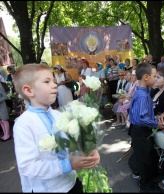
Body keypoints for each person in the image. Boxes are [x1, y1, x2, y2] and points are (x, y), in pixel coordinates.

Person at [12, 63, 100, 192]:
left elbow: (70, 146)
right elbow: (28, 166)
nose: (54, 85)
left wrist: (87, 153)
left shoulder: (59, 115)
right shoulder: (23, 124)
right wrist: (68, 165)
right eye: (47, 82)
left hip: (71, 183)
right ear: (29, 90)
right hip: (47, 189)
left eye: (54, 81)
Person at [129, 63, 164, 192]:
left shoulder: (142, 92)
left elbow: (142, 114)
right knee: (145, 160)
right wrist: (156, 124)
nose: (155, 79)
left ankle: (147, 181)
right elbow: (141, 118)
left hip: (140, 130)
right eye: (154, 76)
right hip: (141, 131)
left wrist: (155, 117)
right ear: (146, 77)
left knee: (147, 157)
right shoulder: (142, 95)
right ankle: (145, 186)